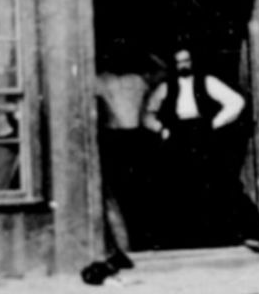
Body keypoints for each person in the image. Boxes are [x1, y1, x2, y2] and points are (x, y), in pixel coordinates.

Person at [147, 45, 247, 247]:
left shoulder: (207, 81)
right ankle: (184, 237)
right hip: (177, 135)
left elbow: (236, 102)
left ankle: (214, 236)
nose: (183, 65)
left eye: (186, 60)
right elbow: (147, 113)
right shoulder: (165, 87)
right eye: (179, 62)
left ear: (193, 61)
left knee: (209, 184)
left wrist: (214, 124)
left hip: (202, 135)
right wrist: (161, 130)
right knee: (179, 186)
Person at [94, 62, 155, 267]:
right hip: (116, 137)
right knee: (122, 192)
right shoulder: (103, 79)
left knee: (139, 191)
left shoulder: (137, 79)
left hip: (134, 137)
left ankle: (140, 242)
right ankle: (127, 244)